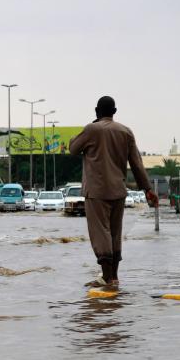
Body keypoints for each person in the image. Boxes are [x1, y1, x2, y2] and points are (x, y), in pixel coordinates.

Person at [70, 96, 158, 287]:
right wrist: (148, 189)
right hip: (118, 190)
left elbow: (73, 149)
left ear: (96, 111)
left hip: (96, 192)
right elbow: (136, 164)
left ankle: (106, 277)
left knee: (100, 232)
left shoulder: (91, 129)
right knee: (115, 233)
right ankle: (114, 277)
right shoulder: (125, 132)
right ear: (115, 112)